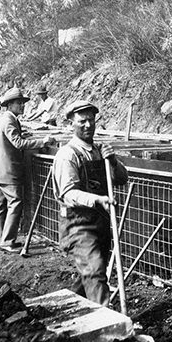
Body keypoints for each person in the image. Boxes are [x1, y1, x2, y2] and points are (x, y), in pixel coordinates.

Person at [52, 100, 128, 305]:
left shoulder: (99, 152)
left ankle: (66, 307)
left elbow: (122, 179)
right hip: (79, 224)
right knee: (94, 272)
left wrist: (112, 161)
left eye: (91, 120)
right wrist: (97, 199)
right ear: (71, 124)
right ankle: (109, 329)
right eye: (82, 121)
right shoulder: (67, 155)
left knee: (92, 272)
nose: (87, 125)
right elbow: (68, 193)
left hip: (100, 222)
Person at [0, 87, 56, 252]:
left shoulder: (6, 119)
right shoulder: (8, 120)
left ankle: (1, 239)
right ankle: (7, 241)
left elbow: (13, 139)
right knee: (15, 202)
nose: (22, 106)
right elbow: (18, 143)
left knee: (0, 205)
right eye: (19, 103)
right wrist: (43, 141)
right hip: (8, 171)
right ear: (10, 104)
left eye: (22, 103)